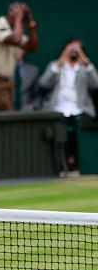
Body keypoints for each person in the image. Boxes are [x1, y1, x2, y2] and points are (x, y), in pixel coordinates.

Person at [38, 39, 98, 172]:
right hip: (57, 109)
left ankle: (79, 163)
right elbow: (43, 84)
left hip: (80, 110)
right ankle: (59, 165)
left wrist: (86, 62)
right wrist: (59, 62)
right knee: (58, 127)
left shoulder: (85, 68)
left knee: (82, 124)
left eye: (77, 49)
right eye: (71, 49)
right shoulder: (55, 66)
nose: (73, 52)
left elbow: (96, 84)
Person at [0, 2, 38, 111]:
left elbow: (32, 47)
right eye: (20, 16)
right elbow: (15, 40)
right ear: (10, 13)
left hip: (3, 83)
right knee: (8, 116)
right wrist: (18, 17)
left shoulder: (15, 31)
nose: (22, 20)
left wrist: (31, 25)